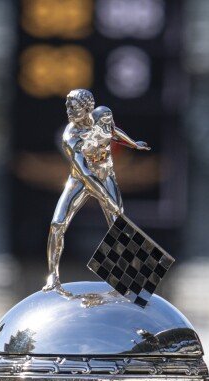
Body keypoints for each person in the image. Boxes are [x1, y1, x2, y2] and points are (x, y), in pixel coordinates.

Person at [45, 89, 150, 289]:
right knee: (57, 224)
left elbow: (113, 132)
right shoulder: (71, 136)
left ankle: (130, 277)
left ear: (87, 109)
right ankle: (53, 276)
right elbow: (85, 173)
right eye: (67, 106)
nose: (68, 111)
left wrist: (133, 144)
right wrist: (107, 200)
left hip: (105, 174)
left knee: (117, 223)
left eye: (73, 107)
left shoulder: (103, 115)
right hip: (80, 180)